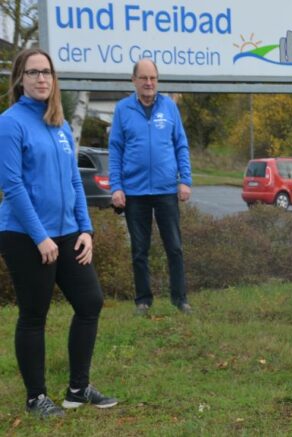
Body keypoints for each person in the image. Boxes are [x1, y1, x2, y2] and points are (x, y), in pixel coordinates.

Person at [0, 48, 118, 418]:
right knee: (34, 314)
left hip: (68, 234)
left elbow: (72, 180)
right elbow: (12, 185)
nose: (41, 79)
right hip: (24, 235)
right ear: (20, 79)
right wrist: (40, 237)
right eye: (33, 72)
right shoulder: (10, 122)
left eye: (47, 72)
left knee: (90, 302)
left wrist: (86, 229)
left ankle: (77, 389)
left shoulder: (60, 124)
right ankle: (36, 398)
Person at [109, 58, 193, 316]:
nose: (149, 83)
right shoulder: (123, 109)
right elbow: (115, 149)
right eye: (143, 78)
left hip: (167, 189)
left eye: (153, 78)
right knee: (139, 250)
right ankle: (143, 301)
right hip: (134, 192)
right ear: (133, 80)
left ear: (157, 80)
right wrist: (116, 187)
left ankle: (180, 300)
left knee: (175, 247)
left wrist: (185, 179)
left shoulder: (169, 107)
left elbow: (181, 144)